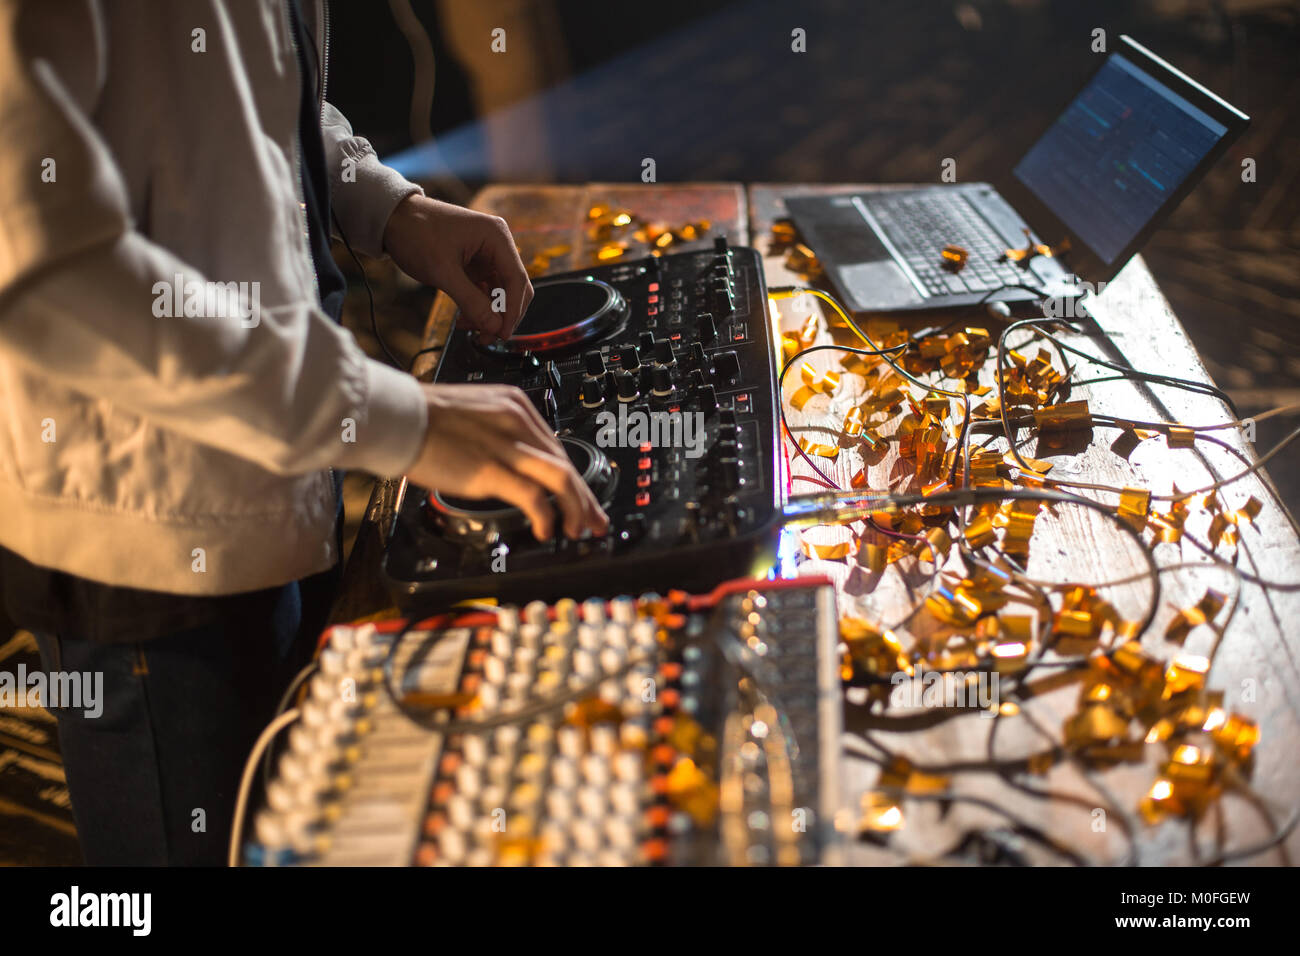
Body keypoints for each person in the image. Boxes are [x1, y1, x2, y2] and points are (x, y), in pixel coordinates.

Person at [0, 0, 606, 865]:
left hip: (280, 460)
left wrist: (389, 207)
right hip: (150, 539)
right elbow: (47, 273)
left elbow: (243, 102)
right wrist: (400, 414)